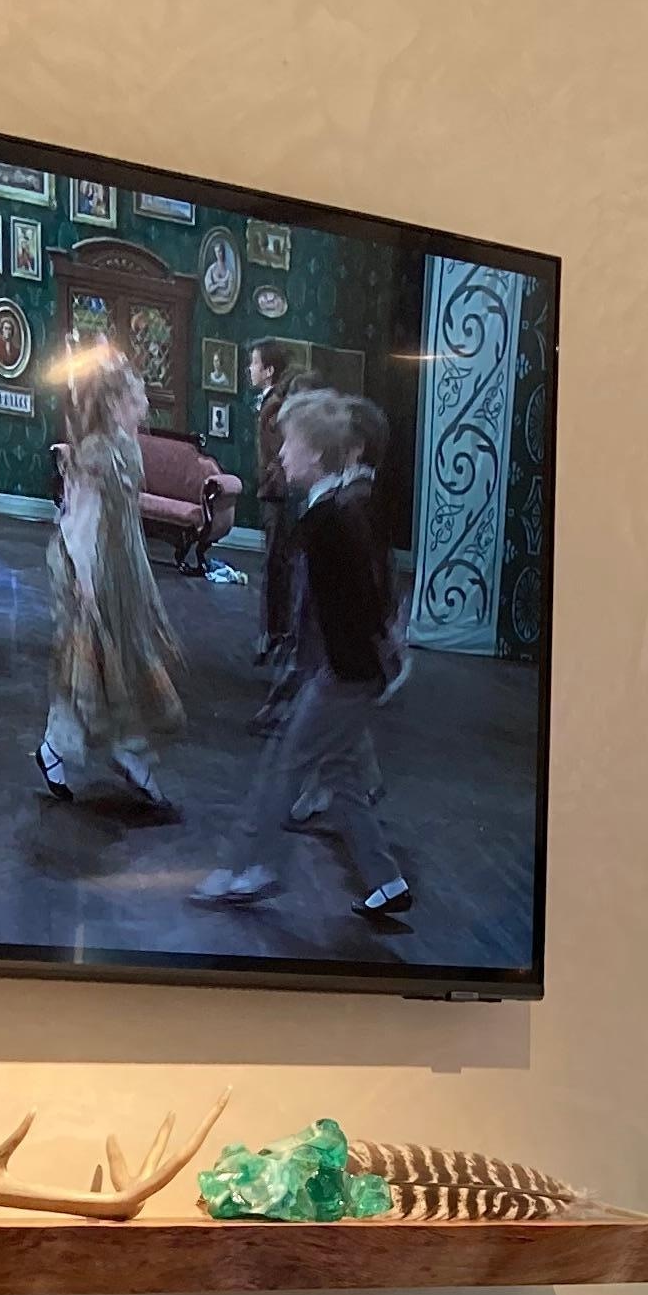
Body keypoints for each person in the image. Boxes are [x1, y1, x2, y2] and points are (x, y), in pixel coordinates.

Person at [193, 382, 410, 925]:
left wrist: (360, 661)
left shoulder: (333, 519)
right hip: (349, 671)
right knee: (338, 775)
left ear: (315, 453)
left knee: (284, 765)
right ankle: (387, 882)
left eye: (288, 444)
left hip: (343, 675)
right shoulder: (333, 512)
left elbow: (356, 604)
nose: (281, 454)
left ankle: (249, 867)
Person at [38, 345, 182, 815]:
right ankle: (61, 747)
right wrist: (84, 581)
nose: (144, 398)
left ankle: (127, 748)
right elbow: (80, 520)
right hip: (96, 571)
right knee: (94, 666)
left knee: (123, 661)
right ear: (117, 400)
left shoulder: (123, 443)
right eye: (137, 392)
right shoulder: (99, 450)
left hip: (121, 566)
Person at [247, 342, 308, 685]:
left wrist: (272, 485)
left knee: (276, 563)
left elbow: (280, 457)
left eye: (254, 364)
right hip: (279, 495)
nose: (250, 370)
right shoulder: (274, 402)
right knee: (277, 564)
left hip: (279, 497)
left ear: (269, 370)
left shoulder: (274, 407)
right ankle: (276, 633)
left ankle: (275, 634)